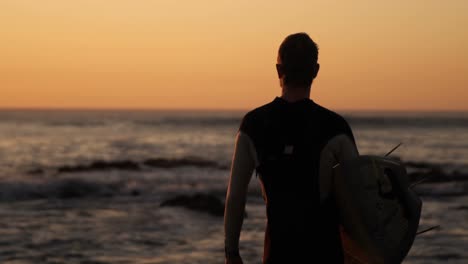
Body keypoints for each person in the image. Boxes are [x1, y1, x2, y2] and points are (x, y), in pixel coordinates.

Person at [224, 32, 360, 264]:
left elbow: (236, 197)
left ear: (279, 70)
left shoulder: (253, 125)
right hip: (326, 255)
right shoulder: (335, 128)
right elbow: (358, 199)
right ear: (315, 71)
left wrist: (232, 253)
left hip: (277, 255)